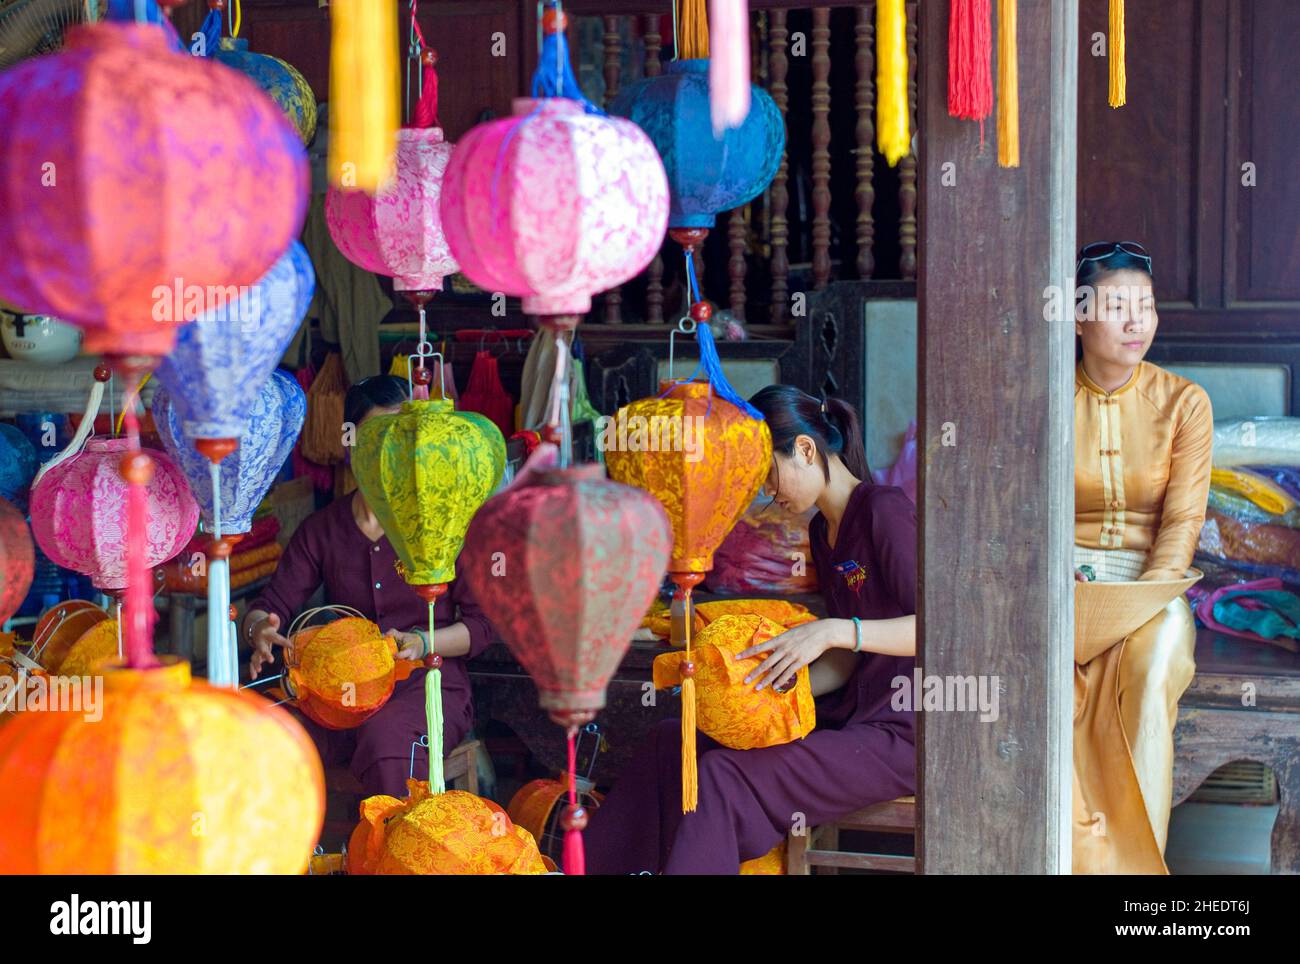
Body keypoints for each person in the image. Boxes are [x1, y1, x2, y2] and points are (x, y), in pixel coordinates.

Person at [584, 387, 916, 874]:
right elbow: (846, 663)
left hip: (903, 734)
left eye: (768, 472)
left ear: (805, 449)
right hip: (851, 716)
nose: (766, 491)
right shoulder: (824, 534)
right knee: (673, 743)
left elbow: (940, 632)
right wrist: (762, 685)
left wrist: (833, 631)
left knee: (720, 775)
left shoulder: (883, 511)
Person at [242, 375, 495, 799]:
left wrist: (419, 642)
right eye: (376, 438)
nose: (388, 452)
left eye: (400, 439)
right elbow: (271, 605)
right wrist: (258, 631)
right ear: (351, 444)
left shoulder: (444, 521)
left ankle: (394, 856)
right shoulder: (323, 529)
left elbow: (482, 626)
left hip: (425, 684)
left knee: (384, 741)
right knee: (265, 732)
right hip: (336, 690)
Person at [1071, 241, 1213, 873]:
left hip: (1151, 587)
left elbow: (1182, 524)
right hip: (1060, 585)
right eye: (1118, 306)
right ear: (1077, 316)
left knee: (1154, 664)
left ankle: (1139, 879)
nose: (1137, 323)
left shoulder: (1185, 403)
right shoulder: (1040, 396)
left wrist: (1136, 603)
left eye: (1147, 307)